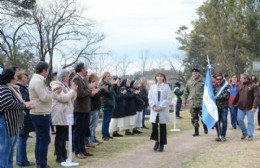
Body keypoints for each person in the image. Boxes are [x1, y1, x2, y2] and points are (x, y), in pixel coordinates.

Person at [0, 68, 34, 168]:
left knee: (10, 151)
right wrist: (25, 105)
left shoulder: (11, 87)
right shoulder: (3, 88)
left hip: (13, 125)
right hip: (6, 124)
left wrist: (24, 104)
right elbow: (8, 102)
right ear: (10, 78)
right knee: (4, 151)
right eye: (15, 76)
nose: (16, 77)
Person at [29, 62, 55, 168]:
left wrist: (49, 93)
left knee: (40, 139)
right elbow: (44, 97)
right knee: (44, 139)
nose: (48, 73)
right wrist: (53, 93)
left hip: (40, 112)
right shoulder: (38, 81)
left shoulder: (38, 80)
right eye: (47, 70)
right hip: (40, 113)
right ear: (44, 70)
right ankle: (42, 163)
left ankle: (40, 162)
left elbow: (43, 96)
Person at [50, 70, 77, 163]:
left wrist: (73, 90)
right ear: (63, 77)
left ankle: (63, 154)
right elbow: (64, 98)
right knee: (60, 136)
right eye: (67, 76)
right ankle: (59, 156)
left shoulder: (65, 86)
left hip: (66, 114)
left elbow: (73, 97)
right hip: (60, 114)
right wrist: (72, 91)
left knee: (64, 135)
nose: (69, 78)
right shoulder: (56, 85)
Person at [72, 63, 95, 159]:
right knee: (78, 131)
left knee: (83, 131)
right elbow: (80, 94)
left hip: (85, 109)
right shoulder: (76, 79)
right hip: (79, 109)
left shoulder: (83, 79)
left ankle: (83, 149)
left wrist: (89, 89)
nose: (86, 70)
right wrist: (90, 89)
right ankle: (77, 151)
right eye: (85, 69)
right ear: (81, 69)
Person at [148, 72, 172, 152]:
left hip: (162, 109)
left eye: (161, 76)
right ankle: (156, 141)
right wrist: (154, 106)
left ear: (163, 78)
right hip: (154, 110)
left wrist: (161, 106)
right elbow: (150, 97)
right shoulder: (152, 87)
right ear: (155, 78)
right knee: (154, 126)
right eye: (157, 76)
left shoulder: (166, 87)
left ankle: (162, 144)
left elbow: (168, 98)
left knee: (162, 127)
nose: (159, 77)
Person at [16, 71, 35, 167]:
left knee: (22, 137)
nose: (26, 79)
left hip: (25, 116)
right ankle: (22, 160)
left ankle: (22, 159)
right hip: (23, 116)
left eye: (27, 77)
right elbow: (24, 99)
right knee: (22, 138)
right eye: (24, 77)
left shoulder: (24, 87)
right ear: (19, 78)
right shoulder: (20, 88)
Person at [233, 73, 259, 141]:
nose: (240, 79)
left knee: (250, 122)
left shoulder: (254, 86)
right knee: (239, 119)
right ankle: (245, 132)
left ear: (246, 78)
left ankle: (250, 135)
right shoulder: (239, 86)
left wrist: (254, 106)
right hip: (241, 107)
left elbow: (256, 97)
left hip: (250, 107)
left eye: (241, 78)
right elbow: (237, 96)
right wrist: (233, 103)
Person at [183, 68, 208, 136]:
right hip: (192, 102)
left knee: (203, 117)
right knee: (194, 118)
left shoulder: (203, 80)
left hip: (202, 102)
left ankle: (205, 126)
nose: (194, 74)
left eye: (196, 73)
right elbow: (186, 92)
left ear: (198, 73)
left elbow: (207, 90)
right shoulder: (189, 81)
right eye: (193, 73)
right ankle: (196, 132)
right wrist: (184, 100)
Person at [99, 72, 116, 140]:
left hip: (110, 103)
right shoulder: (103, 84)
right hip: (106, 104)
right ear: (104, 77)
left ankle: (107, 134)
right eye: (108, 76)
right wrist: (112, 85)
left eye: (110, 76)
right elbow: (109, 93)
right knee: (105, 120)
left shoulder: (109, 84)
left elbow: (114, 92)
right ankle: (104, 135)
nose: (110, 77)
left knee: (108, 120)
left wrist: (114, 85)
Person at [213, 73, 230, 141]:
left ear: (222, 78)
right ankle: (219, 135)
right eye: (217, 79)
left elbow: (227, 95)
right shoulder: (214, 86)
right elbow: (212, 95)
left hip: (224, 106)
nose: (218, 80)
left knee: (224, 121)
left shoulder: (226, 86)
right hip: (216, 107)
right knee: (217, 121)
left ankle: (223, 135)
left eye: (220, 79)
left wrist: (217, 97)